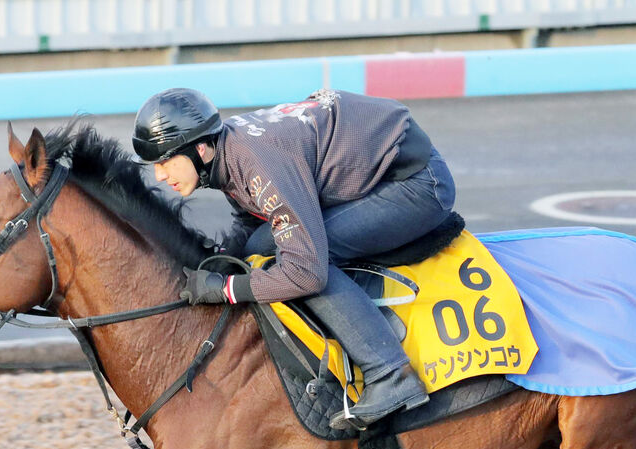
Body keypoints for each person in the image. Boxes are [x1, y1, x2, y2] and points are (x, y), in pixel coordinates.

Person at [131, 87, 457, 431]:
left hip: (418, 185)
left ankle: (391, 376)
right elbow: (252, 218)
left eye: (165, 161)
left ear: (200, 149)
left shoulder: (256, 161)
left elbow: (306, 273)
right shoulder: (225, 149)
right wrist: (224, 260)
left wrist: (228, 288)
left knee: (305, 258)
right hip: (375, 163)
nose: (159, 175)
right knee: (263, 244)